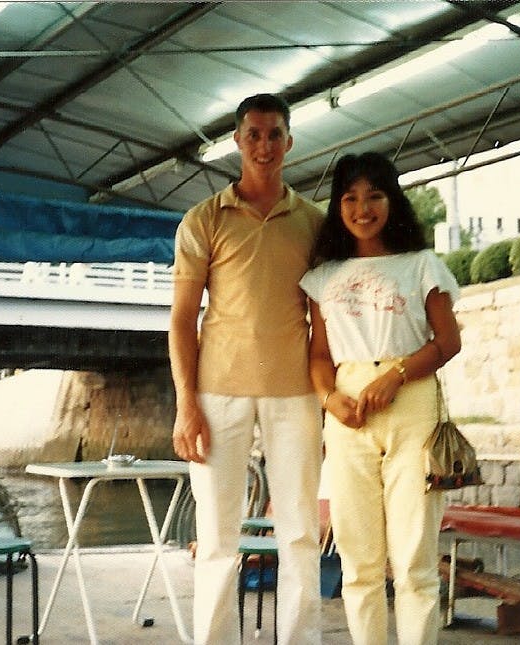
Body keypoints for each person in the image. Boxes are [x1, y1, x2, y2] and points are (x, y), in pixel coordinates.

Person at [169, 93, 323, 645]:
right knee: (215, 539)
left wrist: (329, 397)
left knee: (301, 533)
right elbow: (183, 319)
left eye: (275, 134)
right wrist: (187, 405)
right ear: (236, 141)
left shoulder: (314, 222)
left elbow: (323, 319)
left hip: (296, 395)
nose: (264, 145)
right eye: (253, 134)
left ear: (290, 141)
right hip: (217, 395)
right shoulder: (202, 220)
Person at [299, 151, 462, 645]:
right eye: (350, 197)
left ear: (393, 200)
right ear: (338, 206)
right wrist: (329, 398)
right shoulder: (324, 276)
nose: (362, 207)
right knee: (358, 559)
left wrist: (396, 375)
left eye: (374, 195)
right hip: (346, 413)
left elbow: (448, 341)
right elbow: (319, 355)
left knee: (414, 558)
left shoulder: (422, 265)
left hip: (411, 405)